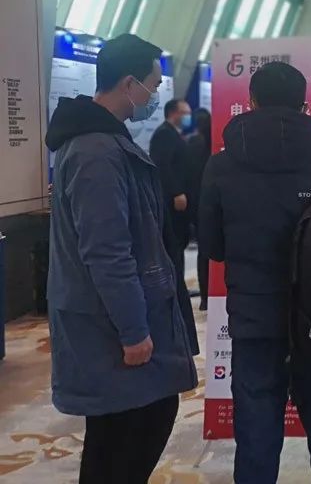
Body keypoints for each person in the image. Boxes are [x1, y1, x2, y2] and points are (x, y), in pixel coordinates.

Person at [198, 62, 311, 484]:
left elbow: (213, 248)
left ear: (251, 102)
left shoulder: (220, 167)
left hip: (254, 322)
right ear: (305, 106)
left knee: (256, 440)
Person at [45, 34, 198, 484]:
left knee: (123, 432)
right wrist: (133, 331)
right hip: (110, 326)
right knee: (129, 432)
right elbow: (107, 251)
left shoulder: (100, 143)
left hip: (113, 317)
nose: (155, 95)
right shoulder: (96, 153)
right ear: (130, 83)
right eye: (153, 85)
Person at [150, 98, 199, 353]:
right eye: (185, 112)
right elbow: (163, 167)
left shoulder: (174, 134)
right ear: (173, 113)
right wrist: (177, 191)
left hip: (180, 206)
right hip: (172, 205)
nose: (188, 116)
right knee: (174, 249)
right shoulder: (164, 135)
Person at [186, 107, 212, 310]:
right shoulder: (212, 145)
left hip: (196, 202)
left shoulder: (192, 143)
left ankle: (205, 298)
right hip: (211, 201)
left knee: (203, 251)